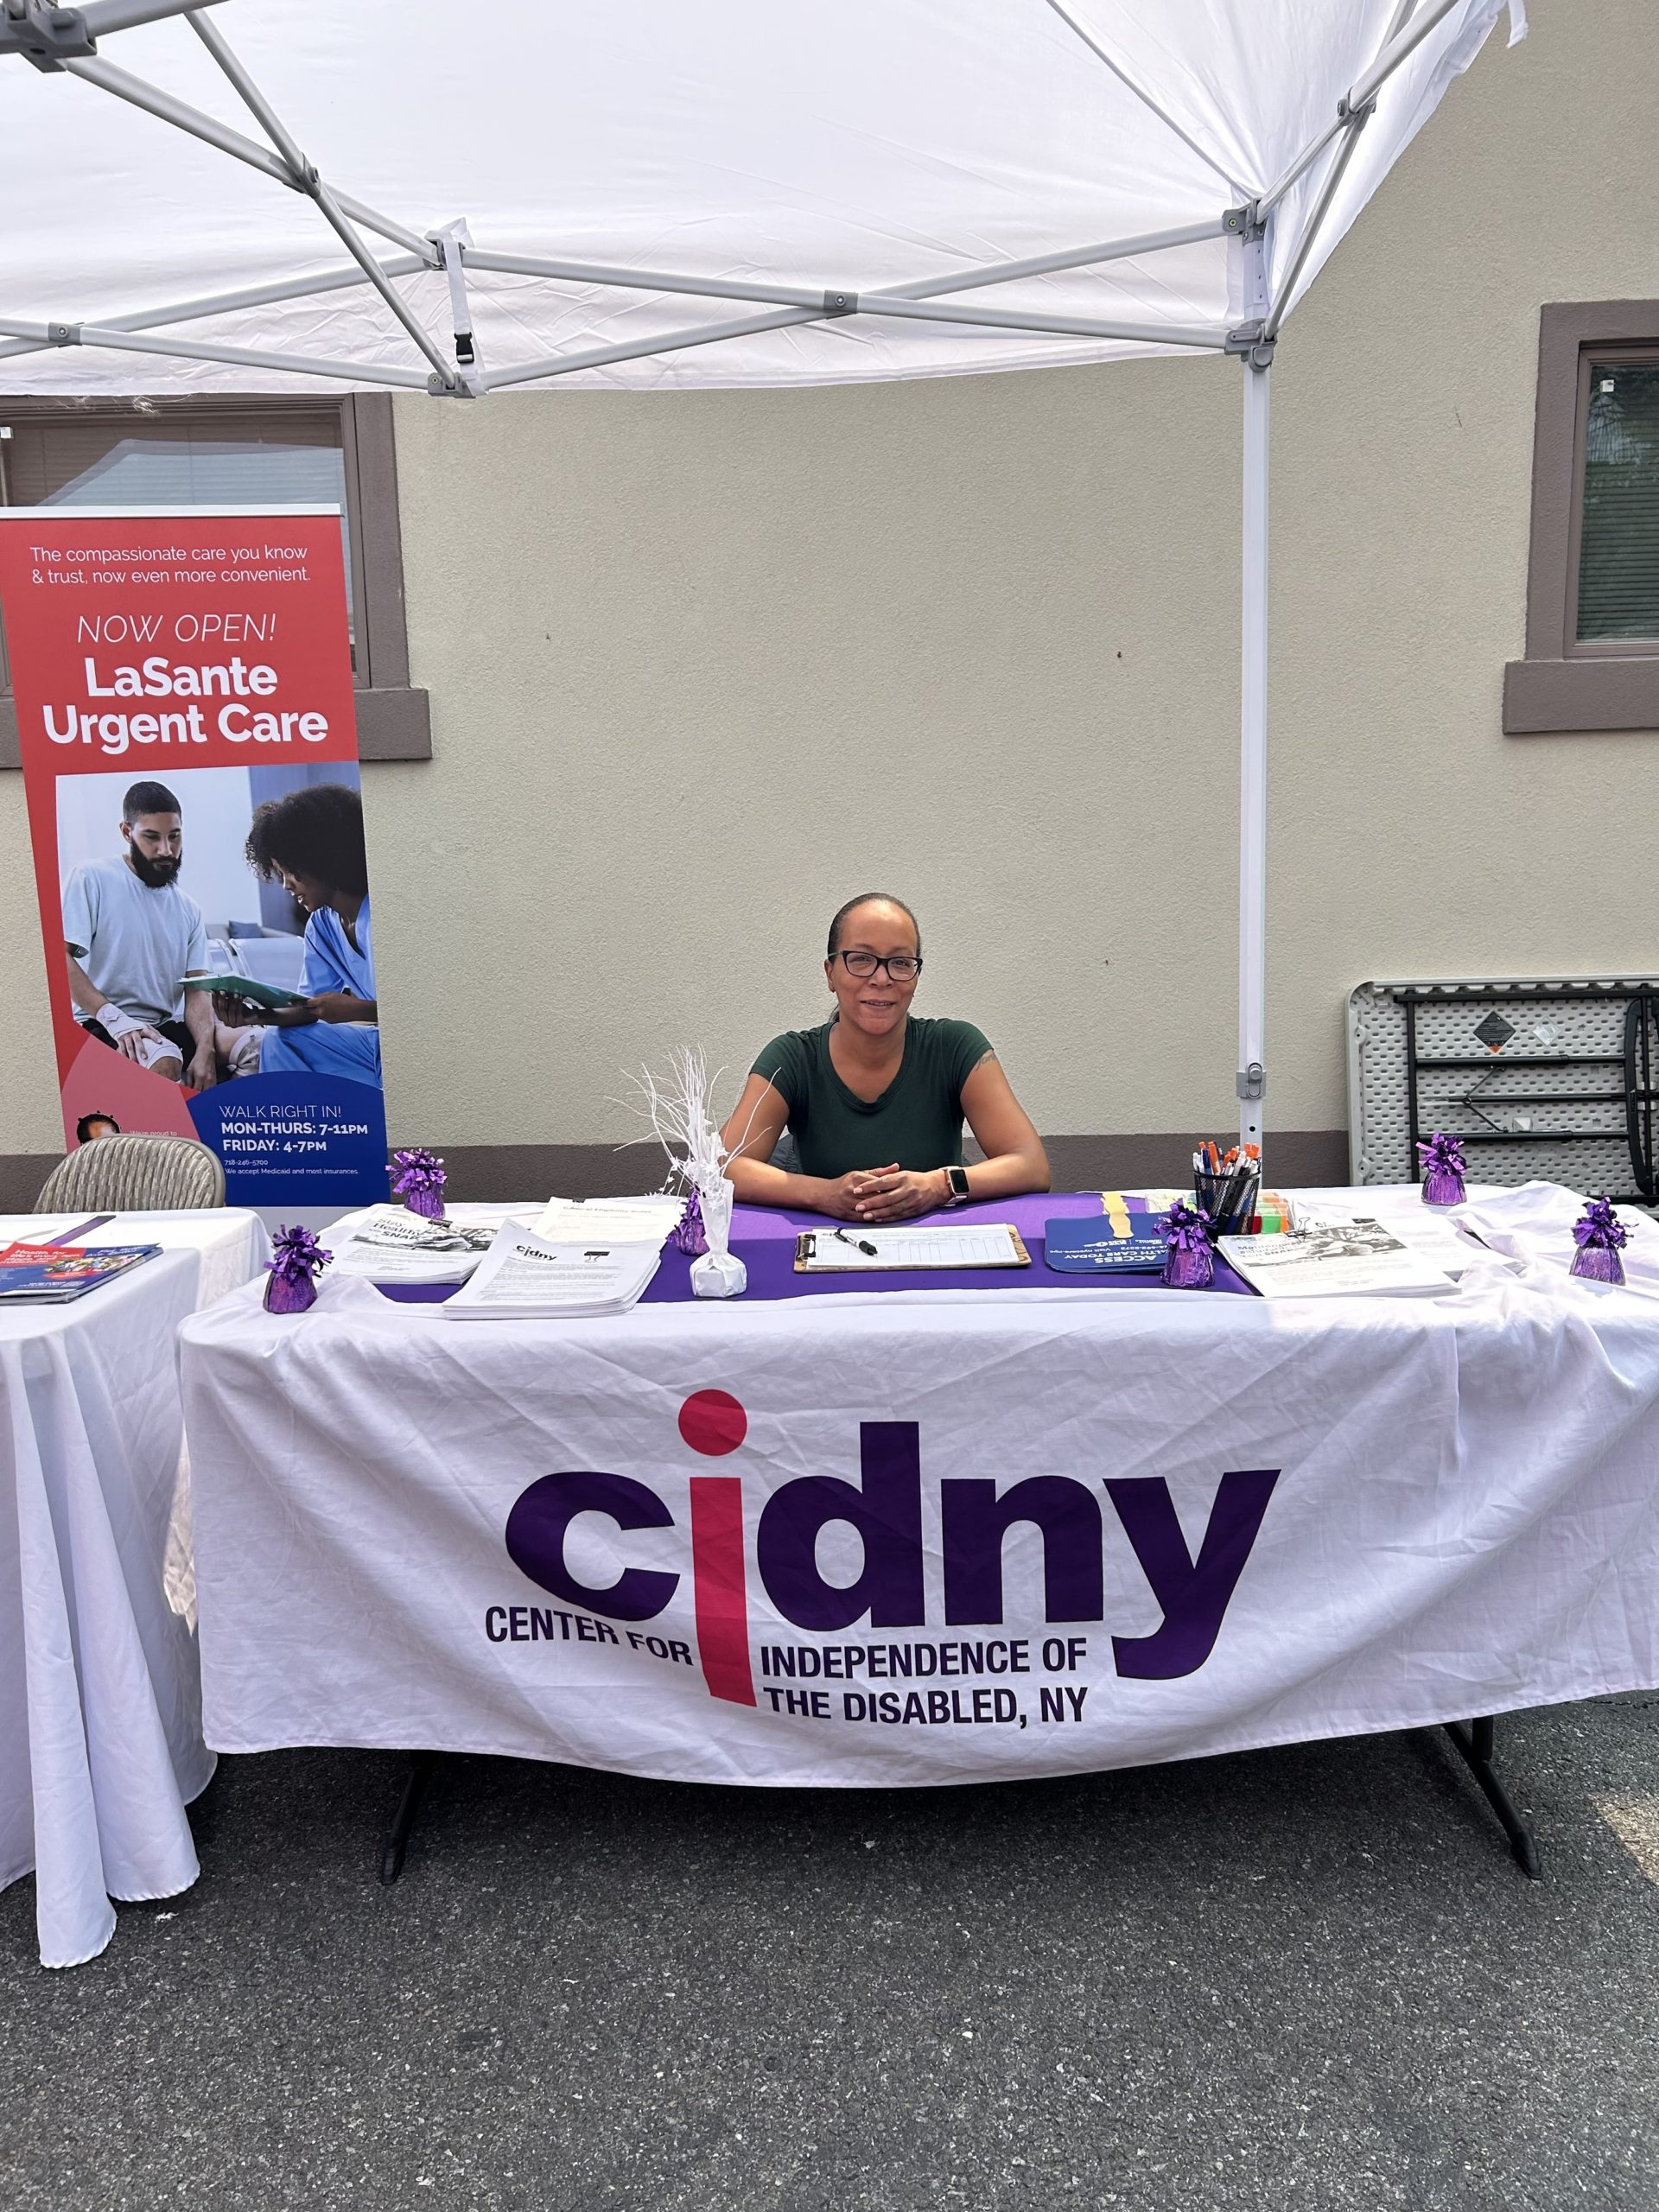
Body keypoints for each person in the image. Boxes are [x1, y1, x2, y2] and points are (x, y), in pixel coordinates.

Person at [720, 893, 1049, 1222]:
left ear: (916, 976)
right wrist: (823, 1194)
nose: (882, 978)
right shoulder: (793, 1058)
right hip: (827, 1254)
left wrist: (939, 1185)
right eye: (861, 959)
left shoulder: (955, 1047)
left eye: (901, 963)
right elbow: (721, 1167)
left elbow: (1031, 1165)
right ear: (830, 973)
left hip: (938, 1252)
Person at [60, 779, 218, 1089]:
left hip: (166, 1025)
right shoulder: (92, 878)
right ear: (126, 832)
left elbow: (197, 990)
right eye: (151, 837)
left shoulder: (188, 908)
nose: (166, 850)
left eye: (174, 836)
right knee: (163, 1061)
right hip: (102, 1022)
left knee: (252, 1045)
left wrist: (206, 1049)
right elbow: (57, 956)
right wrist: (115, 1020)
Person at [233, 782, 381, 1086]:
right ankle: (299, 1130)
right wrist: (254, 1016)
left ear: (320, 859)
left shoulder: (385, 913)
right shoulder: (321, 925)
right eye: (280, 873)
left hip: (419, 1047)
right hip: (376, 1046)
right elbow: (309, 1008)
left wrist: (360, 1009)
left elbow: (430, 1010)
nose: (286, 884)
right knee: (279, 1041)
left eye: (290, 871)